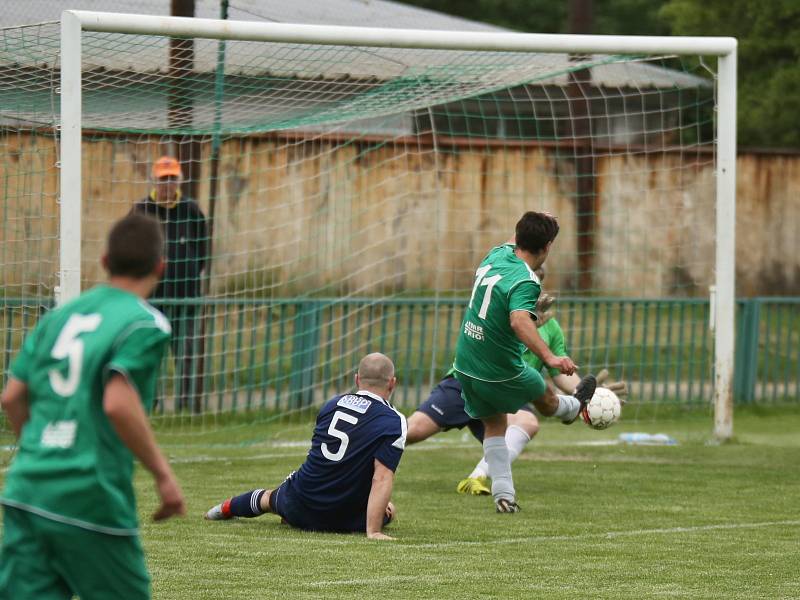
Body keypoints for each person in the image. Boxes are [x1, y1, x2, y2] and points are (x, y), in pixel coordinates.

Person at [0, 214, 186, 600]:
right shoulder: (145, 324)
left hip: (27, 490)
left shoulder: (60, 317)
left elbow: (12, 397)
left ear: (104, 261)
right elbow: (118, 403)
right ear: (160, 267)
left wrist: (40, 448)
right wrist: (163, 474)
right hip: (89, 495)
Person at [407, 265, 628, 496]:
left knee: (528, 422)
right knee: (412, 431)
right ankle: (371, 433)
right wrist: (525, 329)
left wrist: (590, 395)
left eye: (537, 283)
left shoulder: (550, 327)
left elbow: (560, 374)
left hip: (507, 392)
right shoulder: (498, 311)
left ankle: (478, 476)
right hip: (467, 383)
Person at [453, 211, 597, 513]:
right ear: (546, 248)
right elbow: (520, 321)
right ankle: (573, 407)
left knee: (495, 423)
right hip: (500, 369)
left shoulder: (496, 254)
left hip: (465, 363)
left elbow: (517, 237)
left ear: (517, 237)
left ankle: (503, 495)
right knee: (545, 399)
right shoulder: (526, 281)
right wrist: (551, 357)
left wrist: (536, 220)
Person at [205, 352, 407, 540]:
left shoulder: (331, 404)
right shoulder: (394, 421)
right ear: (392, 383)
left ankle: (224, 508)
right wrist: (373, 531)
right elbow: (381, 477)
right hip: (344, 519)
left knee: (268, 498)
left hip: (299, 505)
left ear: (356, 379)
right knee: (390, 509)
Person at [133, 155, 209, 412]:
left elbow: (202, 252)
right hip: (151, 301)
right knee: (151, 356)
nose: (168, 185)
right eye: (163, 179)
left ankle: (185, 407)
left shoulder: (191, 210)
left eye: (172, 179)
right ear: (154, 180)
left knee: (185, 354)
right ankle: (149, 404)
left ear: (180, 180)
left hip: (184, 299)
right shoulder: (141, 210)